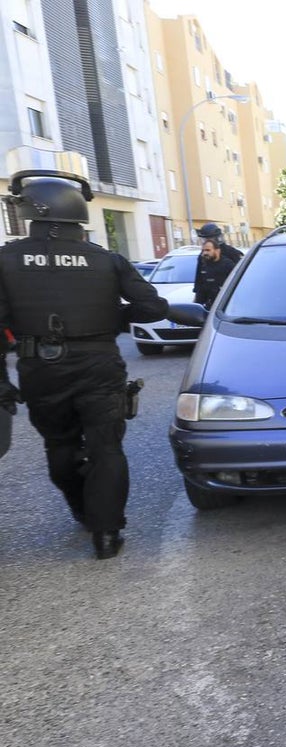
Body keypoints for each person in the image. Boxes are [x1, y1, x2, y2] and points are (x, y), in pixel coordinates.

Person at [0, 149, 169, 559]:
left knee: (58, 446)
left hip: (40, 367)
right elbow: (153, 308)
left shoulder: (6, 260)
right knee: (107, 449)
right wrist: (111, 315)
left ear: (34, 211)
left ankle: (81, 509)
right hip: (98, 365)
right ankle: (106, 534)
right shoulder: (106, 260)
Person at [193, 237, 236, 307]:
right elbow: (199, 286)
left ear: (217, 251)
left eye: (208, 250)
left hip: (223, 305)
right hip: (207, 306)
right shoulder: (203, 265)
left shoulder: (228, 265)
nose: (204, 253)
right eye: (203, 250)